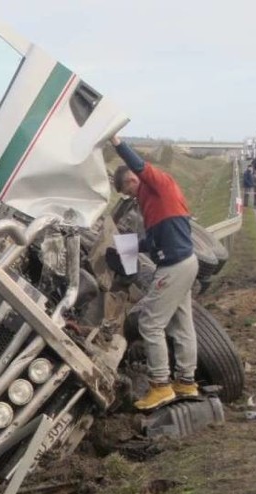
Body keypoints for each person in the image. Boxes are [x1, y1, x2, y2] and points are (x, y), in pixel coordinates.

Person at [110, 134, 199, 411]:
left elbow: (139, 165)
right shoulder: (154, 203)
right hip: (184, 263)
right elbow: (154, 240)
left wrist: (117, 143)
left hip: (174, 266)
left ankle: (160, 385)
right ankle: (186, 381)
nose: (129, 197)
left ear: (132, 180)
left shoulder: (160, 185)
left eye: (127, 191)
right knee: (181, 324)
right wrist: (130, 246)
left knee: (150, 323)